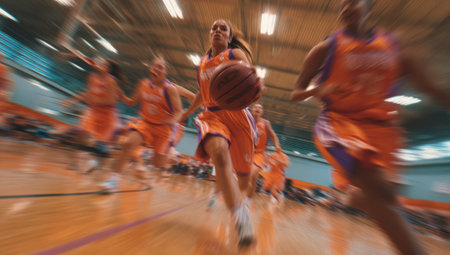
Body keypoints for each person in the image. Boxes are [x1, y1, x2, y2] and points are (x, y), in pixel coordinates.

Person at [290, 0, 450, 254]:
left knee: (387, 194)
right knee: (378, 188)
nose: (346, 7)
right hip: (339, 123)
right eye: (342, 5)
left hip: (382, 129)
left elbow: (431, 87)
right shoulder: (325, 48)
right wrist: (319, 89)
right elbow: (296, 93)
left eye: (353, 2)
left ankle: (355, 198)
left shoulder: (392, 46)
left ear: (369, 6)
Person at [181, 19, 256, 246]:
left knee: (243, 179)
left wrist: (255, 87)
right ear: (209, 34)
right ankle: (240, 219)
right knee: (220, 153)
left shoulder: (235, 56)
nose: (217, 31)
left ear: (229, 37)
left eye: (223, 28)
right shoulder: (202, 63)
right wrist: (187, 113)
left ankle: (235, 196)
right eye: (214, 27)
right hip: (211, 116)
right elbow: (201, 94)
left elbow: (251, 80)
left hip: (237, 115)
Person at [100, 56, 182, 192]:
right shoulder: (143, 84)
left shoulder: (170, 89)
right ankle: (113, 181)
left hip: (163, 129)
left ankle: (172, 156)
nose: (156, 69)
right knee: (128, 144)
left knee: (158, 164)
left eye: (160, 67)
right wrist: (119, 92)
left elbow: (179, 112)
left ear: (165, 72)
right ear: (150, 69)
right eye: (154, 66)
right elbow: (131, 102)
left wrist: (172, 120)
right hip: (146, 124)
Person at [61, 59, 127, 173]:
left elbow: (111, 101)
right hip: (93, 111)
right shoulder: (92, 77)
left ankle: (92, 162)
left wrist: (94, 100)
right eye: (100, 63)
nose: (101, 65)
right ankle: (85, 162)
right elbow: (87, 93)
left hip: (107, 114)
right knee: (81, 135)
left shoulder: (111, 81)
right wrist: (71, 101)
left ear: (109, 70)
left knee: (96, 140)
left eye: (104, 65)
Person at [246, 103, 281, 204]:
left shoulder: (266, 123)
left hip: (259, 154)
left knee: (251, 175)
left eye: (260, 108)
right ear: (252, 110)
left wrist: (277, 145)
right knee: (251, 179)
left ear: (262, 112)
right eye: (255, 107)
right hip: (246, 152)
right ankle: (248, 199)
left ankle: (246, 201)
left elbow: (273, 135)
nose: (257, 109)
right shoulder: (246, 120)